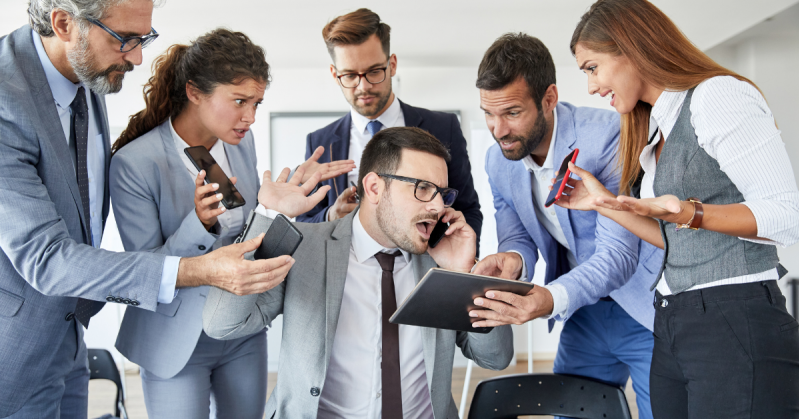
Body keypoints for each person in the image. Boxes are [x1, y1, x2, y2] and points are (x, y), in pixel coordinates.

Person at [0, 2, 295, 417]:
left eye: (145, 39)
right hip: (15, 349)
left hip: (70, 339)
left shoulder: (85, 79)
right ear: (64, 24)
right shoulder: (6, 99)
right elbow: (46, 259)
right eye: (125, 40)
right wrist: (202, 265)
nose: (138, 57)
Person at [558, 0, 799, 417]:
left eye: (592, 67)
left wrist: (690, 212)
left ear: (630, 47)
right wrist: (601, 203)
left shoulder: (716, 96)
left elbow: (787, 215)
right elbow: (673, 237)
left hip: (734, 317)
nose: (592, 87)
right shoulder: (654, 129)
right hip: (673, 321)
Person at [110, 29, 345, 419]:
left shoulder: (239, 142)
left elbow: (250, 236)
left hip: (241, 328)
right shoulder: (135, 163)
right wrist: (198, 226)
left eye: (256, 103)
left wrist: (282, 208)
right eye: (239, 101)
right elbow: (143, 270)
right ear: (195, 92)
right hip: (174, 340)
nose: (250, 117)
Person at [203, 127, 513, 419]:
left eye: (441, 193)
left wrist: (464, 273)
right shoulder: (305, 247)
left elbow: (496, 357)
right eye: (423, 188)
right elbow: (222, 323)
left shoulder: (440, 259)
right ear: (375, 187)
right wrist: (269, 214)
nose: (436, 205)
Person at [466, 33, 662, 418]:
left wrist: (549, 299)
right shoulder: (497, 160)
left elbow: (619, 255)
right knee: (574, 411)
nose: (498, 129)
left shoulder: (608, 137)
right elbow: (519, 233)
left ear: (549, 99)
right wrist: (512, 260)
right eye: (489, 113)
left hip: (643, 304)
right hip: (584, 311)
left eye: (512, 112)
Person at [296, 8, 483, 252]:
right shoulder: (320, 142)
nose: (363, 86)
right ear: (335, 74)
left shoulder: (443, 128)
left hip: (424, 270)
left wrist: (445, 258)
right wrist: (332, 215)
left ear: (392, 64)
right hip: (348, 280)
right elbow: (304, 224)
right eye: (350, 75)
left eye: (374, 71)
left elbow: (468, 210)